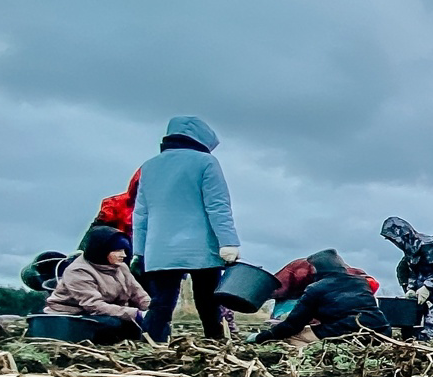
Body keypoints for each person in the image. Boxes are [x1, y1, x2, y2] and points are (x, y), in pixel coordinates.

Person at [133, 116, 240, 343]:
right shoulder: (206, 162)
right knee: (208, 301)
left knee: (161, 302)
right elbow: (217, 206)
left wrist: (139, 251)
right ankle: (216, 343)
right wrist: (228, 242)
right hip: (201, 247)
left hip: (160, 248)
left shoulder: (149, 166)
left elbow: (141, 213)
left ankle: (150, 345)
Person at [253, 251, 389, 344]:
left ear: (316, 270)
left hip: (344, 333)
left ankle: (307, 360)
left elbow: (293, 325)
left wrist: (261, 337)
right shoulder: (361, 282)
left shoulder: (315, 288)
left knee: (293, 338)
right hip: (381, 331)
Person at [43, 226, 150, 345]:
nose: (123, 255)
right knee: (114, 324)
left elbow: (138, 293)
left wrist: (153, 311)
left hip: (106, 313)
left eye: (125, 250)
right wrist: (137, 314)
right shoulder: (78, 271)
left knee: (138, 324)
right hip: (72, 317)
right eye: (117, 250)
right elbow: (94, 306)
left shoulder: (121, 267)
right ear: (102, 250)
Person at [380, 217, 433, 341]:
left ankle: (428, 346)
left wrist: (427, 286)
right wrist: (410, 289)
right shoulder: (410, 250)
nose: (394, 243)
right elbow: (413, 273)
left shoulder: (430, 245)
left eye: (394, 239)